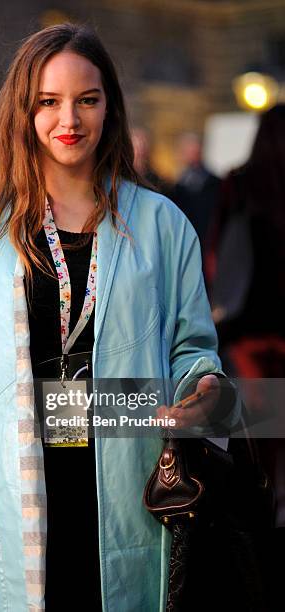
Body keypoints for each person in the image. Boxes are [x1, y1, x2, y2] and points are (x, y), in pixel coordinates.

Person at [0, 23, 238, 611]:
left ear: (110, 108)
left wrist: (204, 385)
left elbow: (193, 345)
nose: (69, 119)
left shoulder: (162, 224)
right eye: (49, 102)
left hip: (129, 486)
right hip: (14, 491)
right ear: (24, 111)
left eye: (87, 100)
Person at [206, 104, 285, 612]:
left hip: (255, 344)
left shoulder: (242, 184)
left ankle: (260, 570)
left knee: (261, 464)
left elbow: (220, 259)